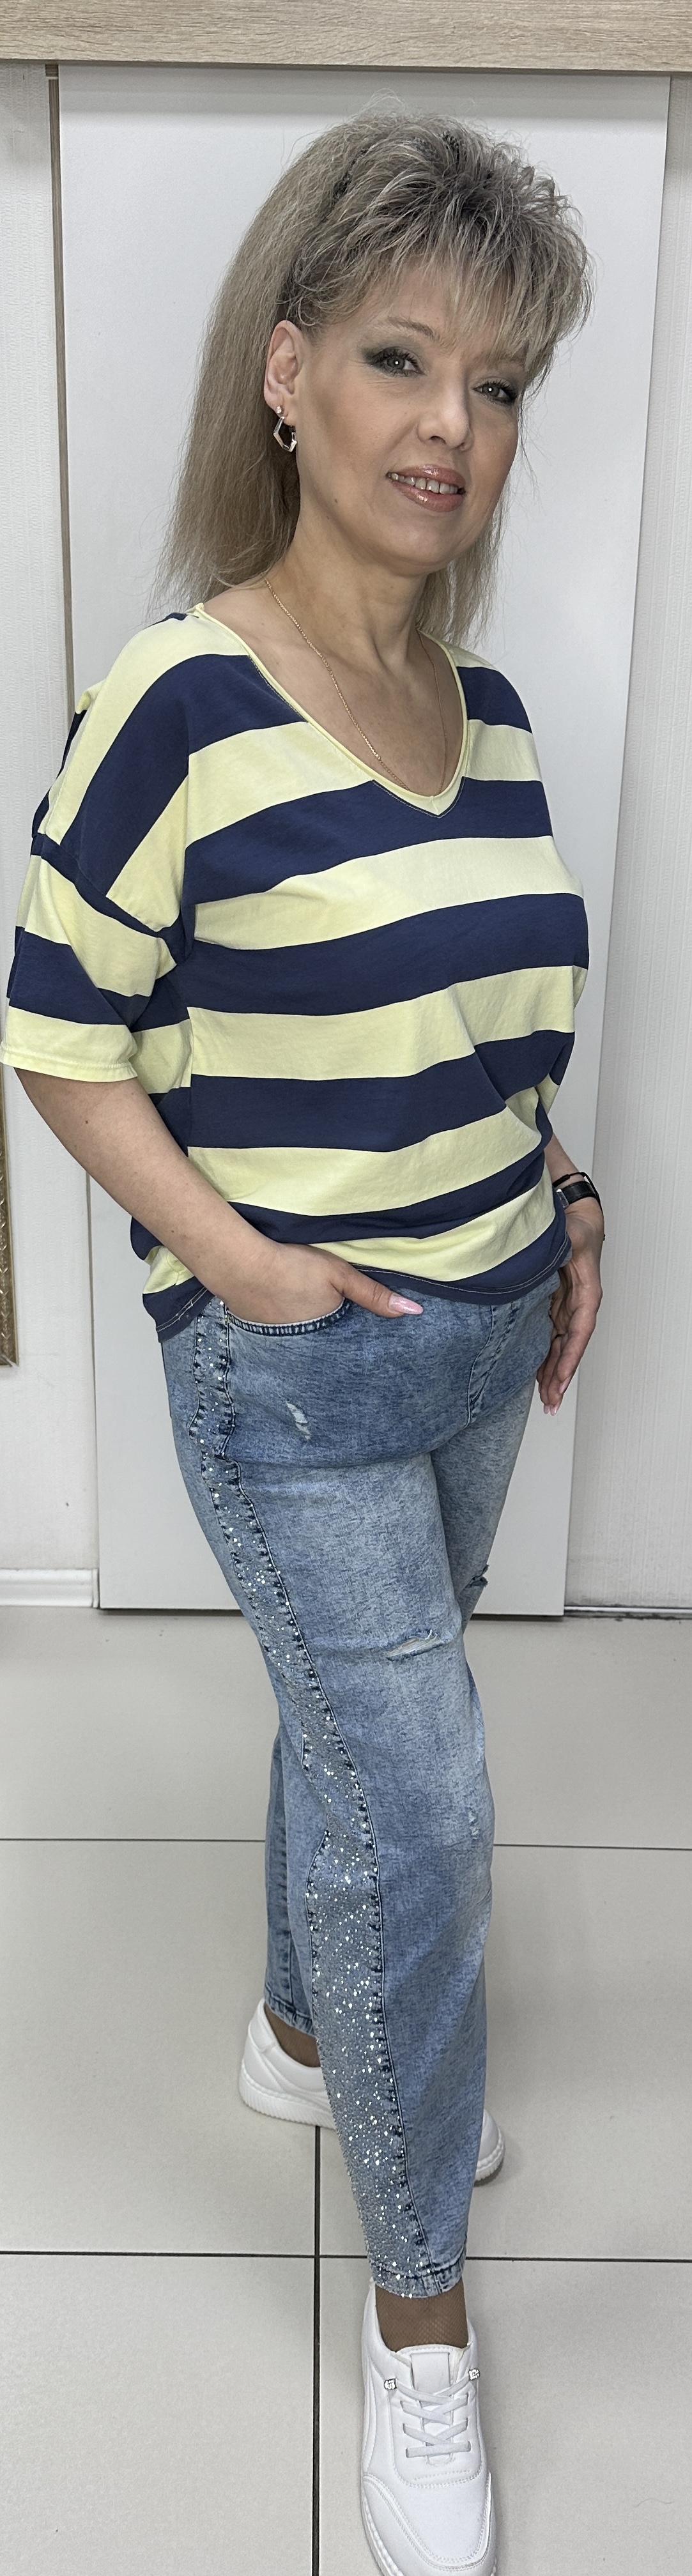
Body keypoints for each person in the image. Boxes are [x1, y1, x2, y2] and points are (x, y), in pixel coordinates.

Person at [2, 114, 604, 2576]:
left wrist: (568, 1198)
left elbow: (489, 1036)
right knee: (428, 1812)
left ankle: (294, 2036)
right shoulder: (177, 697)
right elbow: (57, 1029)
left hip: (478, 1343)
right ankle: (420, 2325)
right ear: (285, 373)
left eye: (496, 381)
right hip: (292, 1379)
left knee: (363, 1744)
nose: (449, 424)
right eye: (396, 359)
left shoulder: (492, 714)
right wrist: (229, 1262)